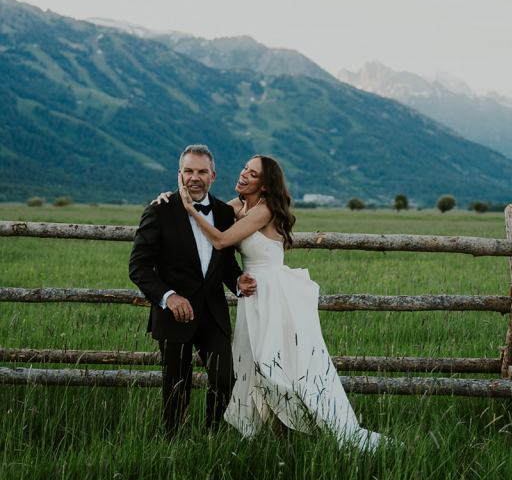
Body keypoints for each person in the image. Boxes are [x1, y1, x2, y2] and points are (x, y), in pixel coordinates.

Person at [158, 154, 383, 450]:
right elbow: (210, 208)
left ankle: (300, 429)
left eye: (252, 175)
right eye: (244, 169)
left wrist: (189, 208)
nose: (243, 175)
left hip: (275, 294)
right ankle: (274, 434)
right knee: (254, 365)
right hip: (252, 295)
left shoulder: (265, 210)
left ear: (264, 186)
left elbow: (222, 241)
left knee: (281, 366)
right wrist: (173, 198)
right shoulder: (237, 206)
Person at [129, 144, 256, 437]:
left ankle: (213, 437)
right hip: (174, 316)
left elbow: (224, 264)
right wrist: (168, 297)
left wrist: (238, 282)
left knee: (226, 379)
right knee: (176, 386)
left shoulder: (225, 213)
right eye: (188, 171)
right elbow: (138, 266)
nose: (194, 177)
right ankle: (173, 443)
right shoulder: (159, 210)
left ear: (213, 175)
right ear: (179, 174)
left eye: (201, 171)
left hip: (213, 313)